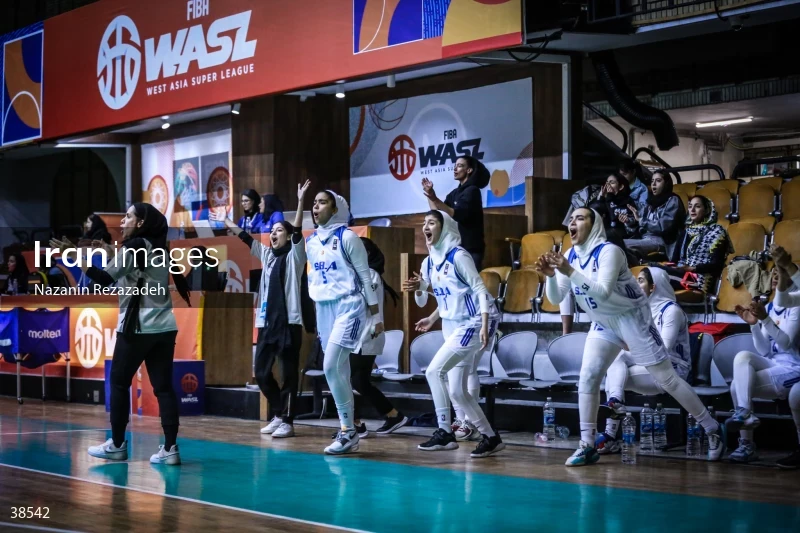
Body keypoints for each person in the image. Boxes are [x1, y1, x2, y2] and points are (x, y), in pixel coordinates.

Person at [537, 207, 725, 466]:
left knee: (667, 379)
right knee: (588, 377)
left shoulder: (609, 252)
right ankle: (587, 445)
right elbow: (557, 298)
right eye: (571, 218)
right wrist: (550, 277)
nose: (573, 222)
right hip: (603, 322)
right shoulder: (569, 256)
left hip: (632, 319)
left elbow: (602, 292)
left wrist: (568, 271)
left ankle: (713, 429)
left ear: (594, 225)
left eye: (580, 218)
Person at [73, 203, 192, 465]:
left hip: (138, 327)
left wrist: (78, 260)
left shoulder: (134, 247)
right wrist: (110, 250)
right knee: (163, 388)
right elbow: (135, 268)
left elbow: (104, 279)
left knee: (118, 382)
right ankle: (170, 449)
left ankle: (116, 444)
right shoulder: (157, 247)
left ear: (140, 223)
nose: (122, 220)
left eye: (128, 216)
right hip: (164, 327)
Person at [403, 210, 505, 458]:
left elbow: (479, 289)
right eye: (423, 223)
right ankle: (491, 437)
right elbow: (434, 297)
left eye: (431, 222)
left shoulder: (459, 256)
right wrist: (424, 298)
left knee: (433, 371)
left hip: (474, 320)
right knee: (457, 391)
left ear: (445, 228)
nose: (425, 227)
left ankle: (445, 432)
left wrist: (483, 324)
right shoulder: (428, 261)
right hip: (452, 323)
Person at [223, 181, 310, 438]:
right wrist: (228, 223)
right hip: (267, 323)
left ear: (287, 235)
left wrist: (301, 200)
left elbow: (297, 230)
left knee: (288, 375)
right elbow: (246, 239)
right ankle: (279, 412)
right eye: (271, 230)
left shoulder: (295, 256)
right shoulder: (268, 256)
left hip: (289, 323)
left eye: (279, 230)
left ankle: (288, 421)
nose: (273, 234)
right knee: (261, 372)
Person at [306, 190, 383, 455]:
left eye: (322, 202)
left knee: (330, 367)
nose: (316, 207)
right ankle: (349, 428)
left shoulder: (348, 237)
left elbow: (365, 277)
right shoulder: (311, 241)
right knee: (340, 372)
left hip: (349, 306)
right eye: (314, 203)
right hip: (324, 308)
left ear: (336, 208)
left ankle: (348, 431)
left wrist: (376, 317)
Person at [594, 267, 692, 454]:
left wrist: (631, 345)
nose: (636, 284)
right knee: (614, 362)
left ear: (653, 287)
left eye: (640, 281)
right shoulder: (641, 311)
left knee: (615, 374)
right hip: (649, 366)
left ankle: (610, 434)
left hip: (673, 370)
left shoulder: (671, 311)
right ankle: (615, 403)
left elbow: (663, 349)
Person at [726, 244, 800, 468]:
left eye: (781, 273)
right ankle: (746, 431)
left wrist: (766, 319)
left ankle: (746, 428)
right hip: (775, 364)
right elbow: (764, 351)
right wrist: (754, 325)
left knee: (735, 388)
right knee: (743, 358)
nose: (776, 277)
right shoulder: (770, 305)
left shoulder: (796, 305)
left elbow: (786, 343)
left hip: (794, 368)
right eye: (774, 274)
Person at [347, 237, 408, 437]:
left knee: (349, 379)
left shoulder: (370, 275)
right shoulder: (358, 275)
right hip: (358, 335)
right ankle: (393, 414)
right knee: (359, 381)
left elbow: (365, 308)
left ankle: (354, 424)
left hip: (367, 335)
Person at [421, 156, 486, 270]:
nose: (455, 169)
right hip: (455, 249)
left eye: (460, 166)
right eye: (455, 166)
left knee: (470, 286)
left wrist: (434, 198)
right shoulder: (454, 193)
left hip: (470, 249)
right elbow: (439, 214)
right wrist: (430, 195)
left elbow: (457, 214)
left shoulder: (472, 191)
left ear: (469, 170)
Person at [667, 195, 732, 293]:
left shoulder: (717, 232)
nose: (692, 210)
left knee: (655, 274)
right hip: (680, 273)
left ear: (706, 210)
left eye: (697, 206)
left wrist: (691, 268)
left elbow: (717, 265)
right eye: (690, 206)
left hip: (698, 279)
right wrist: (672, 267)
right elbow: (674, 260)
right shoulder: (686, 232)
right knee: (652, 269)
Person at [623, 171, 685, 259]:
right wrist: (629, 221)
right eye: (652, 181)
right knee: (614, 242)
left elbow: (662, 226)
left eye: (658, 181)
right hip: (644, 238)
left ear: (666, 183)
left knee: (621, 244)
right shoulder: (650, 201)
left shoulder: (673, 200)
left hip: (661, 241)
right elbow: (639, 221)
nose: (654, 184)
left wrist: (641, 220)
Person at [596, 173, 635, 243]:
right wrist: (601, 197)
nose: (608, 185)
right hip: (607, 233)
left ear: (620, 187)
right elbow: (595, 213)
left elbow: (613, 218)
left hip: (623, 235)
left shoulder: (628, 201)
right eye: (607, 183)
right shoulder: (605, 199)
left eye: (612, 183)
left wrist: (610, 197)